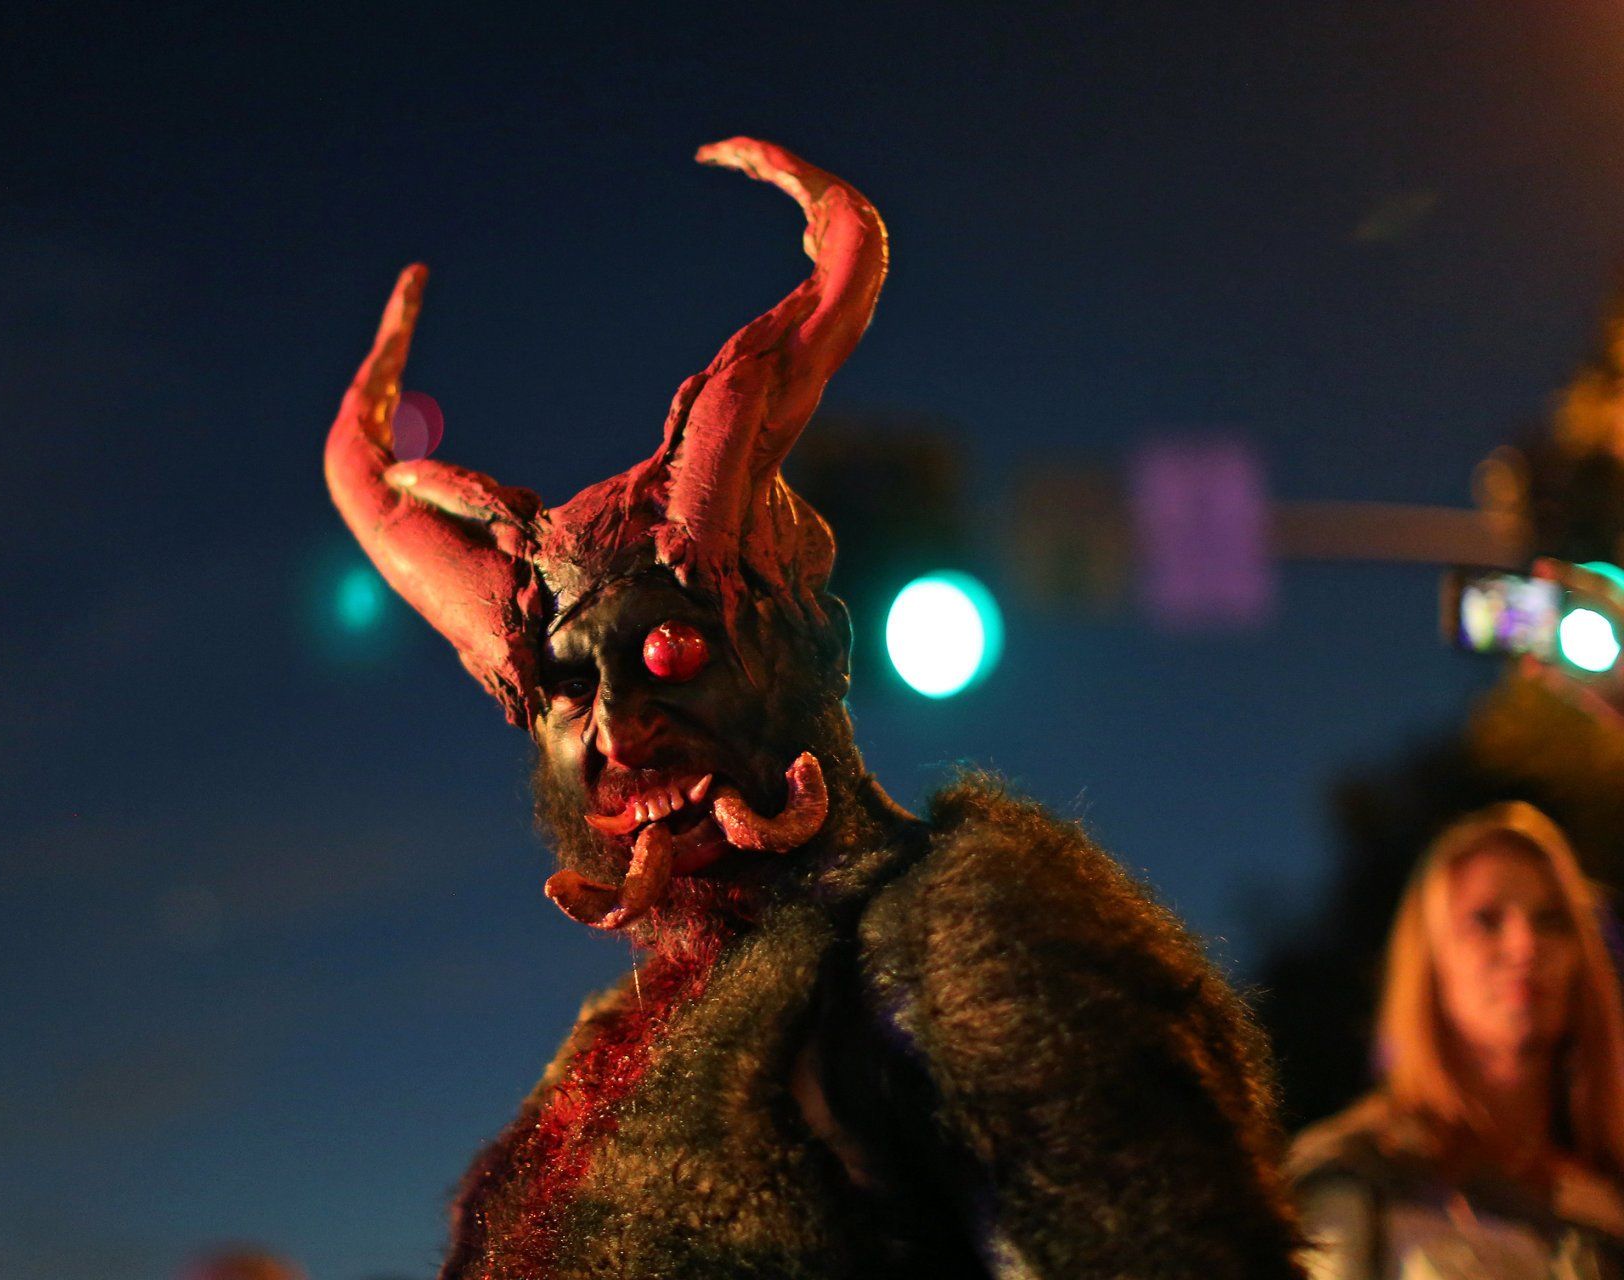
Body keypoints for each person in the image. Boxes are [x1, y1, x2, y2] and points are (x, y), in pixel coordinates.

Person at [323, 137, 1303, 1277]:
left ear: (812, 651)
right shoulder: (611, 1053)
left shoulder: (955, 934)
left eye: (673, 652)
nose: (619, 729)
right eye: (571, 690)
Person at [1291, 802, 1624, 1279]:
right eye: (1486, 920)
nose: (1525, 947)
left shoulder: (1606, 1201)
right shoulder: (1358, 1170)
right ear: (1430, 962)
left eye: (1551, 920)